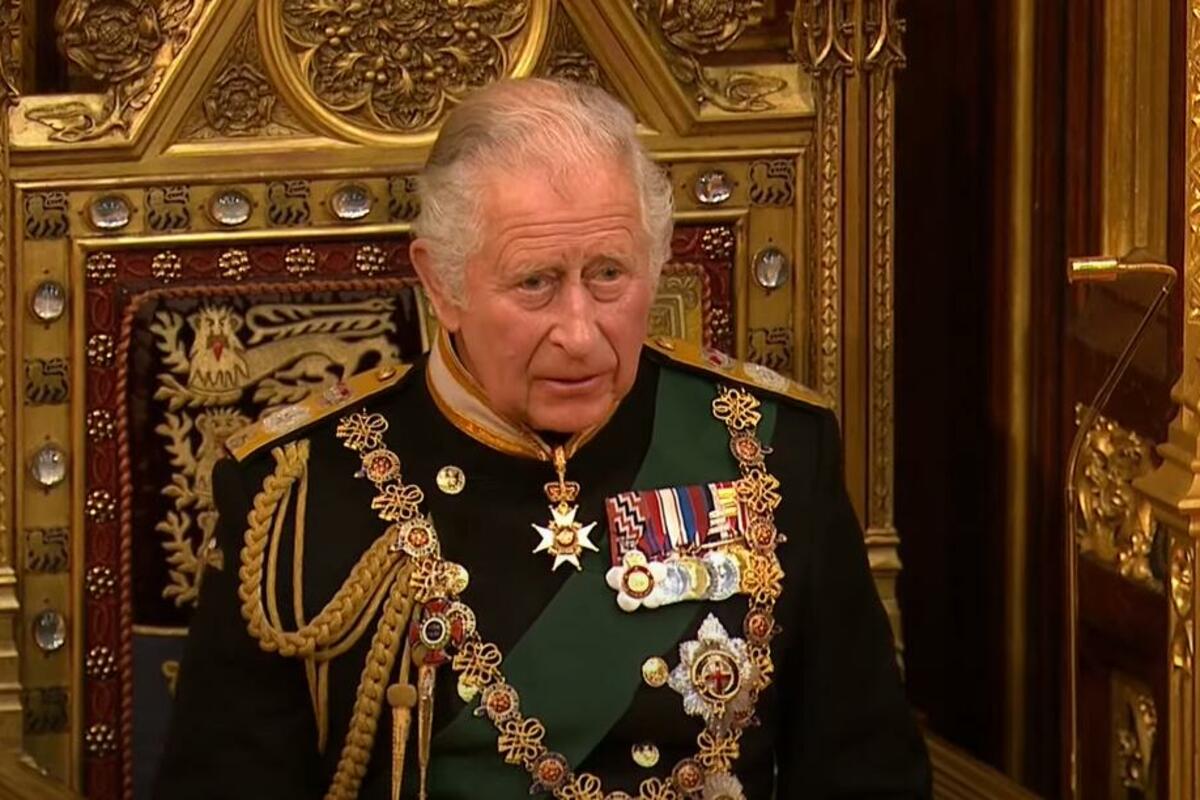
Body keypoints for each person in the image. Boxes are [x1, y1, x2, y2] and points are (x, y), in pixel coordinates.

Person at [155, 78, 930, 800]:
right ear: (442, 284)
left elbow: (866, 773)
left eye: (610, 275)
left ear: (656, 264)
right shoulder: (298, 490)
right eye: (535, 282)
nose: (580, 333)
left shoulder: (769, 449)